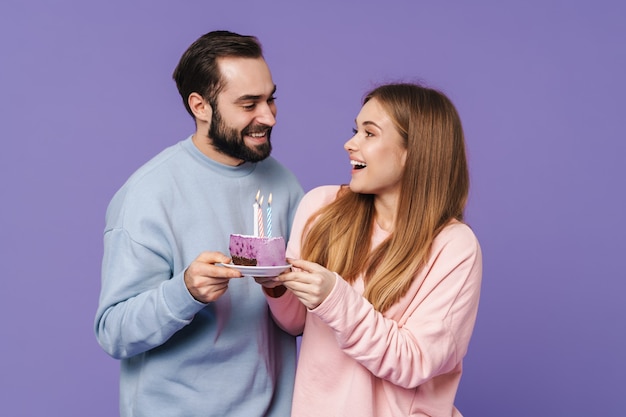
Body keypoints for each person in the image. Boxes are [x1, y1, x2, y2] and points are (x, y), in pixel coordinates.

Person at [94, 30, 304, 417]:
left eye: (271, 98)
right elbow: (114, 332)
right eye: (248, 104)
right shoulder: (148, 195)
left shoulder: (285, 184)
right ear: (200, 106)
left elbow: (300, 318)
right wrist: (185, 291)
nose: (268, 116)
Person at [258, 83, 482, 416]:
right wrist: (274, 284)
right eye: (355, 130)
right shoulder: (321, 208)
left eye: (370, 133)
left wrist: (335, 297)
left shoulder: (454, 247)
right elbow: (295, 323)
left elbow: (414, 362)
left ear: (413, 151)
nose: (350, 144)